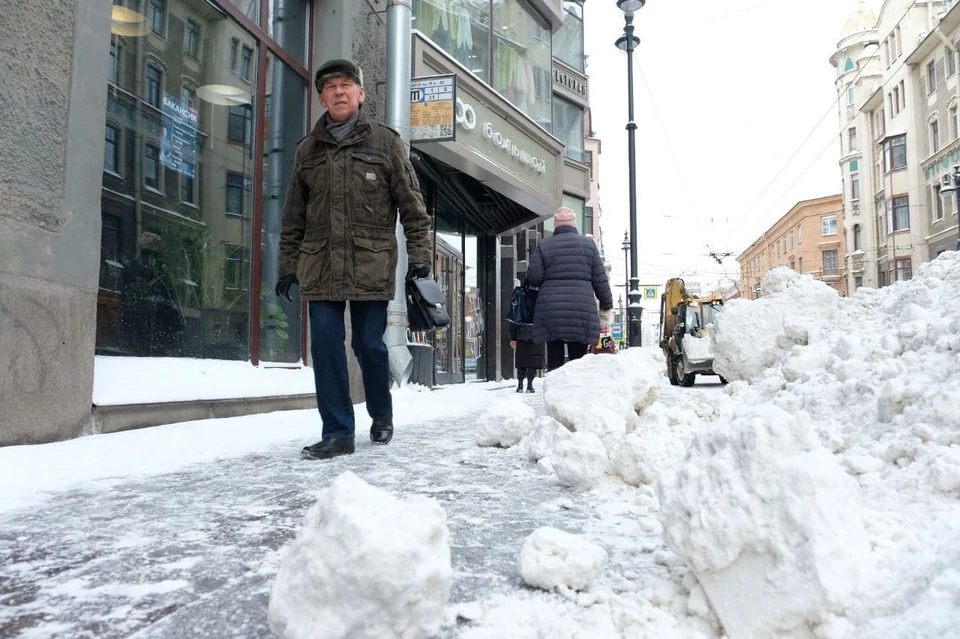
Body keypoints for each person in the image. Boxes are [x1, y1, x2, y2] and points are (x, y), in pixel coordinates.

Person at [276, 59, 433, 460]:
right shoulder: (306, 151)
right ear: (322, 98)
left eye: (347, 85)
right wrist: (287, 266)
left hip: (370, 263)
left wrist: (420, 255)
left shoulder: (385, 142)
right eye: (331, 87)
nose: (339, 92)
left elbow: (413, 207)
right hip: (321, 264)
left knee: (368, 346)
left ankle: (381, 412)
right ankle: (338, 432)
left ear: (361, 94)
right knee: (326, 347)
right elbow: (294, 215)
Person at [526, 207, 614, 371]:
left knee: (554, 358)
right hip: (581, 309)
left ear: (556, 225)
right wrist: (606, 305)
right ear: (574, 225)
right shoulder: (588, 245)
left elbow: (534, 277)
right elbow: (600, 279)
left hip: (551, 310)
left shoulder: (544, 245)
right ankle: (577, 393)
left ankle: (555, 392)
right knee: (578, 362)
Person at [509, 316, 544, 393]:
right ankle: (529, 386)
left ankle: (520, 386)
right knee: (533, 363)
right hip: (537, 336)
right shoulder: (540, 305)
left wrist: (513, 338)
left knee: (522, 362)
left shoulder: (520, 306)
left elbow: (514, 322)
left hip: (522, 336)